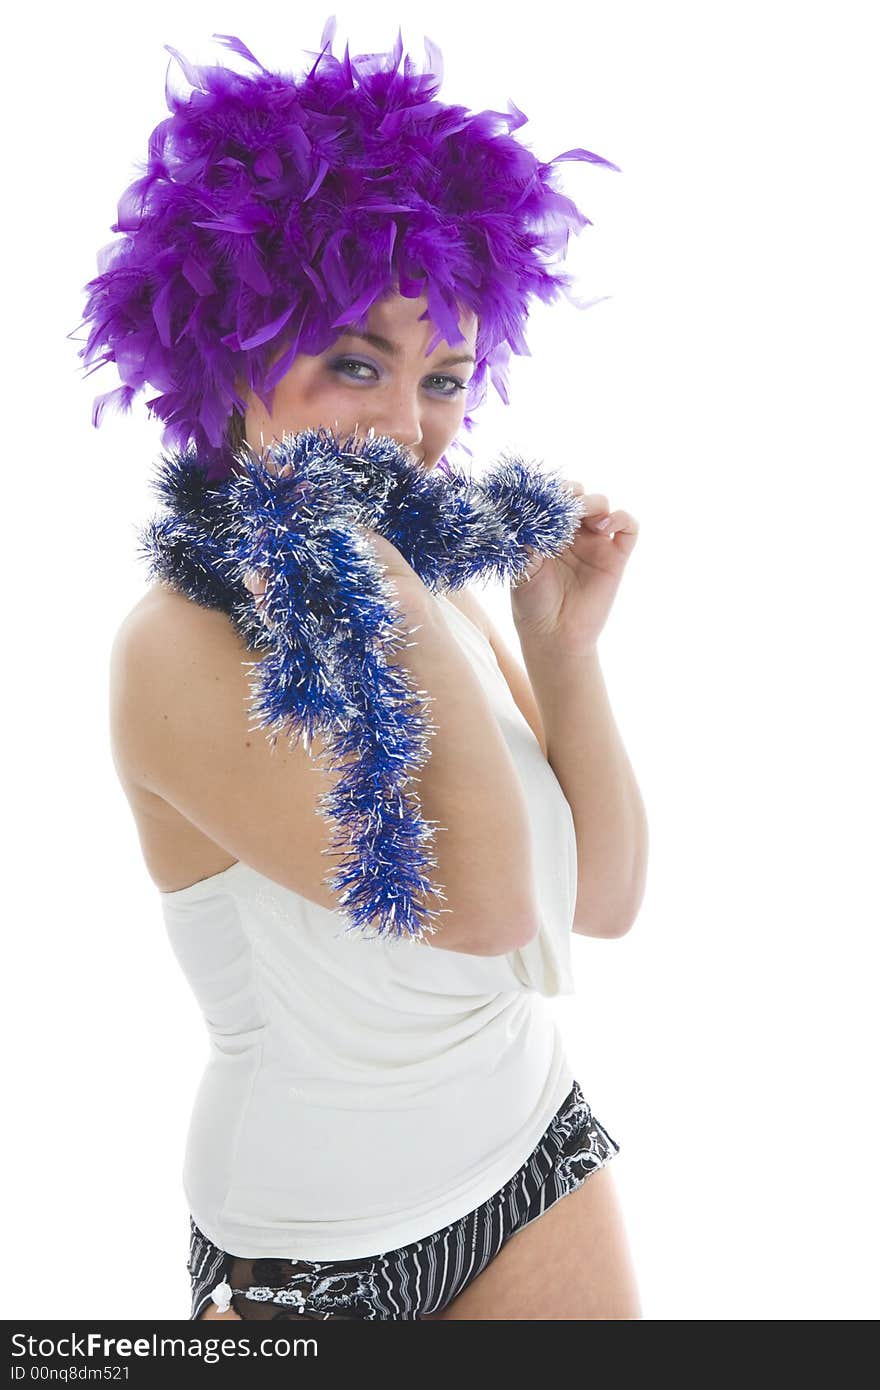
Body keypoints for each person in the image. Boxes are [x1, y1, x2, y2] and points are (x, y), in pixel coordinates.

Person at [81, 22, 645, 1319]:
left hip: (530, 1154)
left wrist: (563, 654)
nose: (406, 427)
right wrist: (393, 589)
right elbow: (485, 906)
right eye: (353, 361)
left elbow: (594, 902)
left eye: (443, 375)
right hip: (308, 1259)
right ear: (229, 352)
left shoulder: (429, 572)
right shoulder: (176, 642)